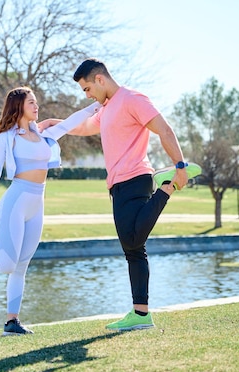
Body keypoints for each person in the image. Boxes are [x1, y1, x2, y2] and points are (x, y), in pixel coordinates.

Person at [38, 58, 201, 332]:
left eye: (87, 89)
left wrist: (180, 166)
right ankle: (141, 313)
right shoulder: (107, 108)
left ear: (100, 79)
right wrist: (56, 124)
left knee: (133, 239)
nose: (87, 95)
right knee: (133, 250)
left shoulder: (132, 99)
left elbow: (164, 129)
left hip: (135, 177)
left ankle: (166, 186)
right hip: (117, 184)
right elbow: (86, 127)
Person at [0, 86, 101, 336]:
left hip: (37, 201)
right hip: (16, 199)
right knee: (5, 266)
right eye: (31, 102)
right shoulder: (5, 138)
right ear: (19, 106)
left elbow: (69, 123)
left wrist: (95, 106)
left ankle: (12, 321)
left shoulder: (43, 135)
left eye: (36, 102)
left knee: (22, 265)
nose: (37, 106)